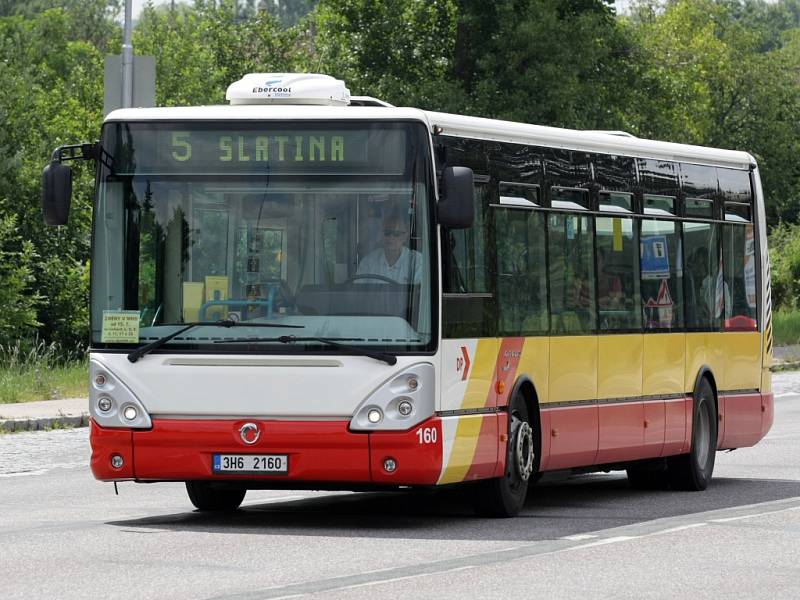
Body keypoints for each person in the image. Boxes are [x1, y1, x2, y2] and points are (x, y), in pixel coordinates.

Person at [356, 211, 422, 284]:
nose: (391, 237)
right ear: (381, 234)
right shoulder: (368, 262)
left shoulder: (417, 262)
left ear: (405, 237)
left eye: (397, 234)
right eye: (387, 233)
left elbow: (420, 293)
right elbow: (357, 291)